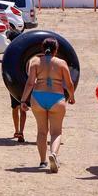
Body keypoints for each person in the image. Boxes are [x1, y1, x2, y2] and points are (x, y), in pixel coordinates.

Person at [19, 37, 75, 172]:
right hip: (56, 98)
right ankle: (54, 154)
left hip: (38, 98)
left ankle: (43, 161)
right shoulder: (61, 63)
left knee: (41, 131)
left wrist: (23, 100)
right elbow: (69, 84)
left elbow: (30, 83)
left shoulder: (35, 62)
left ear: (42, 49)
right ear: (56, 50)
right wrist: (72, 97)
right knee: (56, 132)